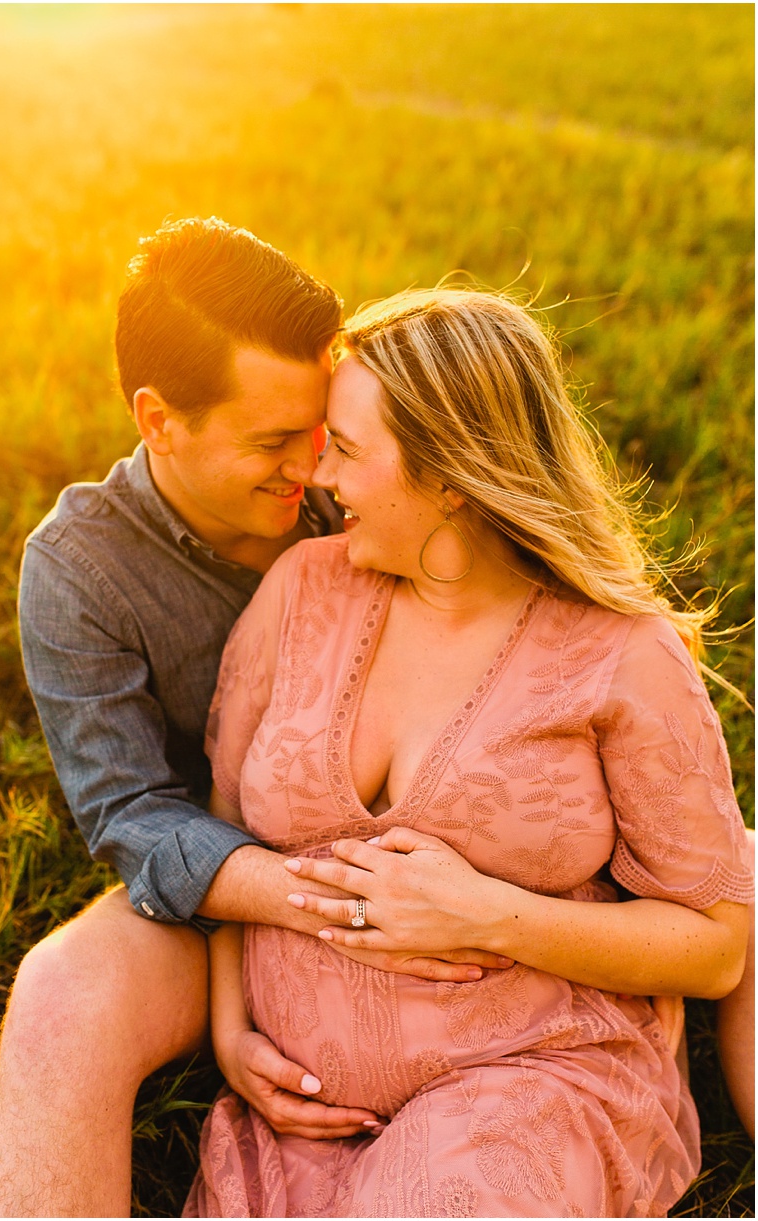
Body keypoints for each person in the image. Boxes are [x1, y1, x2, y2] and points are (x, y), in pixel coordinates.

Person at [0, 221, 514, 1219]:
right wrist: (333, 903)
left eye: (324, 434)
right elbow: (135, 816)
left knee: (739, 874)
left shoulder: (363, 470)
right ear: (158, 420)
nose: (314, 472)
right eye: (271, 443)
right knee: (59, 997)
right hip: (237, 894)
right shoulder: (79, 569)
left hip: (475, 844)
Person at [183, 287, 753, 1218]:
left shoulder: (620, 656)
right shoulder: (302, 590)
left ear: (452, 476)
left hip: (531, 1083)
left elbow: (717, 948)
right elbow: (224, 820)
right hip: (300, 1116)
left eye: (350, 450)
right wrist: (231, 1026)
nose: (322, 477)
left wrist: (490, 914)